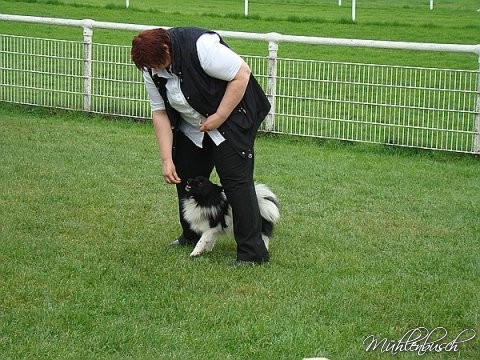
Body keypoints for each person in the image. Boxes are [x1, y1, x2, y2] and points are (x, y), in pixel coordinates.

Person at [131, 27, 272, 264]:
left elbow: (242, 74)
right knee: (185, 176)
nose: (157, 71)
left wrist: (219, 116)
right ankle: (192, 234)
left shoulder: (202, 47)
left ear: (167, 49)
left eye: (159, 64)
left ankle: (252, 253)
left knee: (235, 181)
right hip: (194, 124)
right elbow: (160, 112)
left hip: (232, 116)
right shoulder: (151, 69)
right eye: (152, 68)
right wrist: (167, 159)